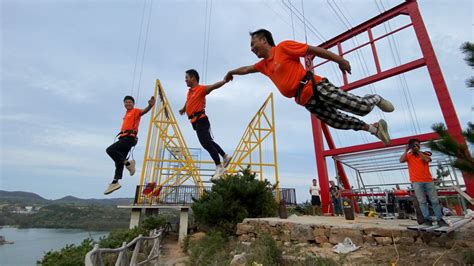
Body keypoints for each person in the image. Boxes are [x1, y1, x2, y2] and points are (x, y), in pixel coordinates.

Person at [224, 29, 393, 145]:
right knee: (337, 122)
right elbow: (246, 69)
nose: (252, 48)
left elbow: (313, 50)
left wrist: (340, 60)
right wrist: (231, 72)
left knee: (361, 108)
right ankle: (374, 128)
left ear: (264, 40)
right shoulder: (263, 65)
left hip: (316, 87)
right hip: (305, 101)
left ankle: (375, 98)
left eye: (253, 44)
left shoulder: (283, 47)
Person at [179, 69, 232, 180]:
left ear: (193, 77)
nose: (185, 80)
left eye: (187, 78)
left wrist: (224, 81)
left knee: (206, 143)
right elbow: (188, 101)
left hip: (201, 120)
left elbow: (213, 86)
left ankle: (219, 166)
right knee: (208, 142)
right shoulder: (190, 92)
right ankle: (225, 156)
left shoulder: (201, 89)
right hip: (195, 121)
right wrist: (184, 109)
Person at [105, 95, 155, 195]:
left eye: (129, 102)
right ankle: (115, 182)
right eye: (126, 102)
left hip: (129, 138)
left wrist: (150, 106)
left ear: (133, 103)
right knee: (119, 162)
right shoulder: (126, 114)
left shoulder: (135, 111)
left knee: (110, 150)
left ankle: (128, 163)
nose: (127, 103)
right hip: (124, 137)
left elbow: (143, 111)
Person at [400, 138, 448, 227]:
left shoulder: (424, 153)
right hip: (416, 182)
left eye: (418, 145)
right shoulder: (409, 155)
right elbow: (401, 160)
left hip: (428, 181)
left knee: (434, 200)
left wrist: (418, 151)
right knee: (422, 202)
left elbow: (427, 160)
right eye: (415, 145)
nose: (417, 146)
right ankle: (427, 220)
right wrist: (406, 150)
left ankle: (439, 219)